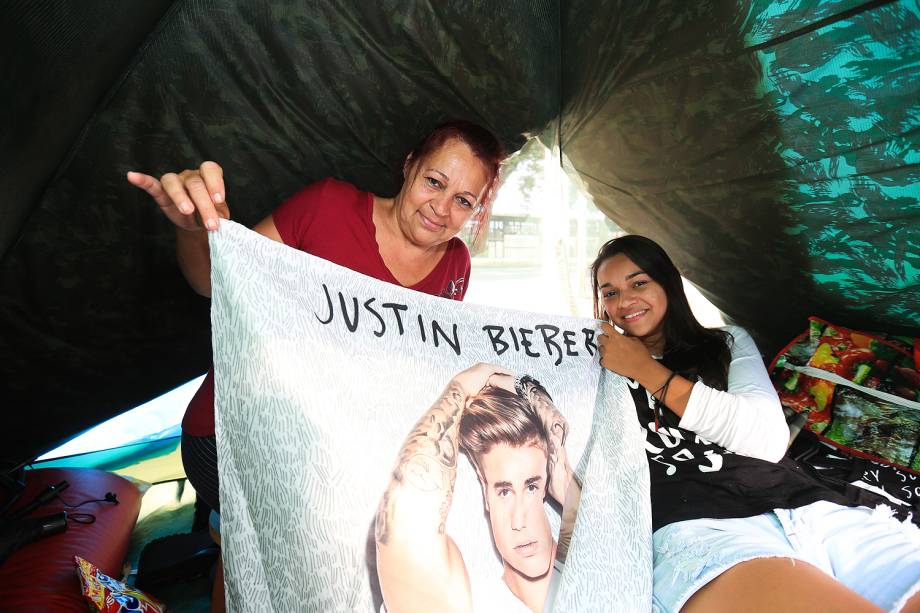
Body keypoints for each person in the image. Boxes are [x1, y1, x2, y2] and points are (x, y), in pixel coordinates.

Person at [127, 120, 505, 611]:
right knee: (268, 553)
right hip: (231, 434)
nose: (441, 208)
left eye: (464, 200)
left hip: (333, 448)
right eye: (435, 181)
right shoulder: (327, 206)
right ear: (409, 163)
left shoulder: (456, 264)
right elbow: (217, 285)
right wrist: (199, 234)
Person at [591, 234, 920, 613]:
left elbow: (766, 440)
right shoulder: (596, 370)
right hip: (703, 527)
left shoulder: (727, 343)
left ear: (667, 282)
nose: (625, 300)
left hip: (806, 506)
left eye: (638, 282)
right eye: (610, 292)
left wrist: (647, 371)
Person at [375, 364, 579, 613]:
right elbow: (402, 523)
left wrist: (566, 480)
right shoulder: (476, 604)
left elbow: (619, 537)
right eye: (504, 491)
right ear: (485, 493)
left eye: (531, 486)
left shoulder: (602, 571)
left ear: (548, 484)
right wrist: (459, 388)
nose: (520, 520)